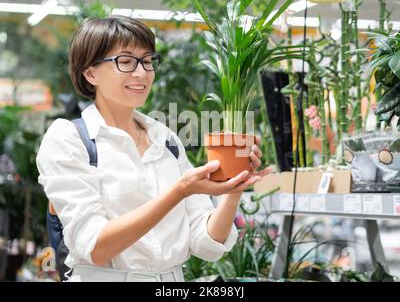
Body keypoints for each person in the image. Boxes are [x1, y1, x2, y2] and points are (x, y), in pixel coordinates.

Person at [36, 15, 270, 282]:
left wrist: (233, 189)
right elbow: (97, 247)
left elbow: (206, 244)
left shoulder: (165, 138)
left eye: (147, 61)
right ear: (90, 73)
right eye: (125, 62)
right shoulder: (70, 138)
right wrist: (179, 191)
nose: (142, 72)